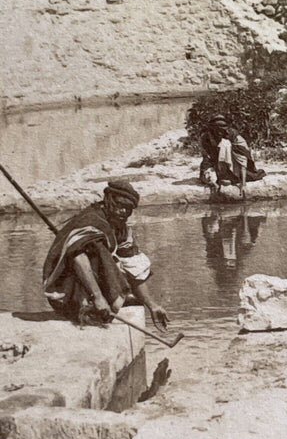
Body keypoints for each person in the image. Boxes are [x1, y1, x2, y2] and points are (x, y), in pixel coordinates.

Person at [42, 180, 169, 329]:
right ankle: (87, 304)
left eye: (128, 208)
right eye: (119, 205)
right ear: (108, 201)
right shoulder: (91, 220)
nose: (123, 212)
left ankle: (108, 300)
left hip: (91, 285)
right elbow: (78, 258)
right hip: (64, 289)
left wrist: (152, 305)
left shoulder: (121, 228)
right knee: (98, 249)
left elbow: (133, 266)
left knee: (119, 259)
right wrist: (98, 298)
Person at [199, 114, 266, 197]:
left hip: (232, 164)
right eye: (216, 129)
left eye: (221, 130)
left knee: (225, 146)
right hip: (214, 162)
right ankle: (221, 176)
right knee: (207, 175)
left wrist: (243, 184)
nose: (219, 132)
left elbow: (243, 161)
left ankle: (227, 176)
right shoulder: (206, 137)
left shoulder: (233, 138)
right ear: (212, 128)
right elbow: (206, 155)